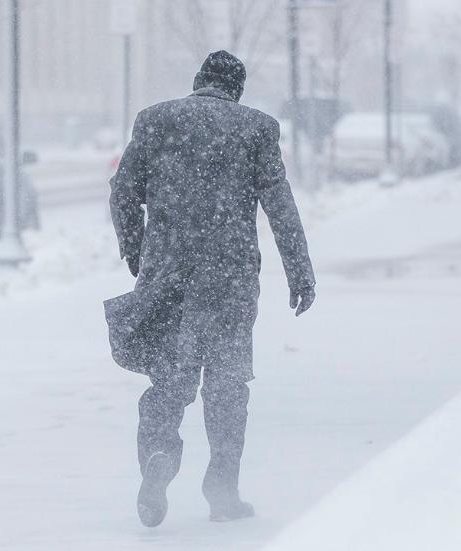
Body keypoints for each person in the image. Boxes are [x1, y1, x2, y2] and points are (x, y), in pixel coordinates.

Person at [105, 50, 316, 528]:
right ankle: (222, 490)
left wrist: (137, 249)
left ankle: (159, 457)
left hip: (169, 277)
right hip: (229, 280)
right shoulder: (256, 128)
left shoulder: (155, 120)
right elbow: (279, 205)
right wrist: (300, 270)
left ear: (198, 81)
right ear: (236, 90)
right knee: (226, 385)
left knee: (169, 381)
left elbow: (122, 190)